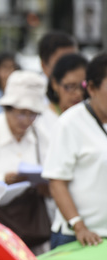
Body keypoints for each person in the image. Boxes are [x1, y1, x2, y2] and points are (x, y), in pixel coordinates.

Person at [42, 53, 107, 248]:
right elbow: (57, 182)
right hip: (78, 238)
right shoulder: (70, 124)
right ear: (93, 88)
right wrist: (78, 226)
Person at [0, 70, 48, 184]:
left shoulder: (41, 136)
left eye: (32, 114)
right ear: (8, 109)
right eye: (21, 113)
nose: (26, 120)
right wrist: (2, 179)